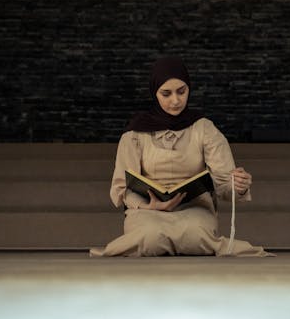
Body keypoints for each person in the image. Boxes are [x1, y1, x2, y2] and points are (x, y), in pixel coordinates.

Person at [89, 57, 273, 257]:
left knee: (195, 235)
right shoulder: (135, 134)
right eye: (166, 94)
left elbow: (224, 185)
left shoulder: (204, 129)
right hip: (148, 212)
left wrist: (239, 185)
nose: (175, 101)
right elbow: (122, 187)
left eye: (181, 91)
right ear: (154, 93)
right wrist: (147, 205)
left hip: (194, 209)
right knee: (150, 236)